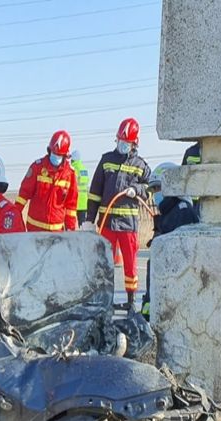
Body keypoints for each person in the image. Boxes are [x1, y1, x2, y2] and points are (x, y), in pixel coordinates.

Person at [81, 117, 152, 310]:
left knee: (130, 265)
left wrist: (136, 190)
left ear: (134, 143)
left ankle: (130, 303)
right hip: (107, 223)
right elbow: (95, 192)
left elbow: (150, 187)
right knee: (105, 264)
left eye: (126, 143)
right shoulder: (106, 160)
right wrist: (89, 220)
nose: (122, 145)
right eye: (120, 141)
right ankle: (106, 301)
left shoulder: (141, 165)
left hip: (128, 224)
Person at [141, 162, 200, 318]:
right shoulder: (169, 212)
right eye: (153, 190)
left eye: (158, 188)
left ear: (172, 186)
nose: (155, 194)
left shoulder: (182, 212)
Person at [15, 130, 79, 232]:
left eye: (59, 155)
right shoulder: (37, 167)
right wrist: (15, 215)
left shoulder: (69, 174)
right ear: (49, 151)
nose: (56, 157)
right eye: (54, 153)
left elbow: (71, 206)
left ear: (65, 156)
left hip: (56, 233)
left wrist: (70, 230)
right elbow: (23, 194)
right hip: (34, 230)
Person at [70, 151, 89, 223]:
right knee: (82, 224)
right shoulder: (84, 169)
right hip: (84, 201)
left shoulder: (73, 169)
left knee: (70, 225)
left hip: (74, 201)